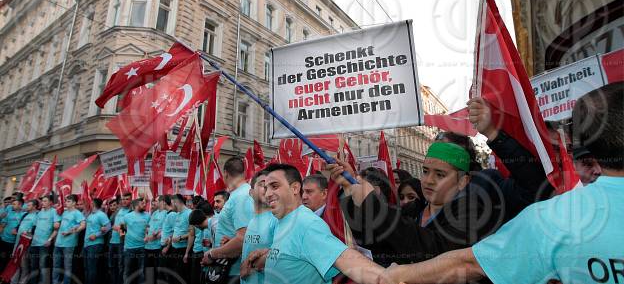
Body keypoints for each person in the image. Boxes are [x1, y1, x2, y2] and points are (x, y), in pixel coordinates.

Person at [379, 81, 624, 284]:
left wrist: (494, 133)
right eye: (425, 171)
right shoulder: (412, 209)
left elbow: (533, 183)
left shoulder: (494, 200)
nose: (429, 180)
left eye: (441, 173)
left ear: (464, 179)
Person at [244, 164, 383, 284]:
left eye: (274, 186)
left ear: (295, 188)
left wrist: (391, 278)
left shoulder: (306, 224)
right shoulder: (284, 221)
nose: (267, 194)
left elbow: (350, 262)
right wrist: (266, 254)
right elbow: (295, 252)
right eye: (266, 188)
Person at [203, 157, 254, 283]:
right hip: (227, 268)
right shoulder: (237, 194)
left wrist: (212, 254)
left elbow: (243, 239)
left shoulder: (242, 197)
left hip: (234, 271)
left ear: (225, 173)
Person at [239, 170, 277, 284]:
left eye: (271, 185)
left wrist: (252, 263)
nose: (266, 188)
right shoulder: (252, 221)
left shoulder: (276, 219)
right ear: (251, 192)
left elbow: (284, 253)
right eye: (262, 184)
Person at [53, 194, 86, 284]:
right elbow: (58, 224)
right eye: (66, 201)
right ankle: (55, 282)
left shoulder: (77, 213)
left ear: (74, 203)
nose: (66, 203)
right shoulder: (64, 212)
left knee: (67, 266)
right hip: (58, 243)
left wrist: (73, 231)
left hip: (69, 244)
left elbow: (83, 225)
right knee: (56, 265)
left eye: (68, 201)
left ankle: (66, 282)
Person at [30, 195, 59, 284]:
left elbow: (56, 229)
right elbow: (34, 227)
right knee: (33, 266)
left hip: (44, 244)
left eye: (45, 201)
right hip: (34, 243)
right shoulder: (39, 213)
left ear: (50, 202)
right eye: (42, 201)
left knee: (43, 266)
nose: (43, 203)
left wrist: (49, 239)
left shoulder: (54, 212)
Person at [120, 198, 150, 284]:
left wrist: (147, 236)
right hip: (129, 248)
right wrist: (123, 243)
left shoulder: (147, 215)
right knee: (128, 271)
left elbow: (149, 229)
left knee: (141, 272)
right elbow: (122, 230)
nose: (144, 205)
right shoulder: (127, 216)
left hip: (142, 248)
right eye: (142, 203)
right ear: (136, 205)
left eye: (145, 203)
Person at [83, 198, 110, 284]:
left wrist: (96, 235)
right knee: (87, 267)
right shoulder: (90, 215)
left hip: (95, 244)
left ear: (93, 204)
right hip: (87, 244)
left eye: (90, 203)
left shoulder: (101, 215)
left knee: (92, 268)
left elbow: (108, 227)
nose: (89, 204)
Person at [11, 199, 38, 284]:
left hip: (26, 244)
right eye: (27, 205)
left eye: (29, 205)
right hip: (17, 243)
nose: (27, 206)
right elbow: (19, 225)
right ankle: (13, 281)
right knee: (15, 263)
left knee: (24, 265)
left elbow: (34, 230)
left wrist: (28, 233)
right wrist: (16, 229)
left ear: (34, 207)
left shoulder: (36, 216)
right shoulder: (25, 214)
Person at [145, 195, 167, 284]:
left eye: (157, 201)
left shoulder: (166, 213)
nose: (154, 202)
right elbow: (149, 227)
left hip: (157, 247)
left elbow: (165, 230)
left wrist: (154, 236)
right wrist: (146, 232)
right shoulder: (154, 213)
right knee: (148, 271)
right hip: (148, 247)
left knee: (158, 272)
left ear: (162, 202)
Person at [110, 193, 131, 284]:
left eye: (126, 199)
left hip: (122, 243)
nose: (124, 201)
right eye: (123, 199)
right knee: (112, 266)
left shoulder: (131, 212)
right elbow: (110, 224)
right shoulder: (118, 210)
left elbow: (127, 231)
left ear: (130, 200)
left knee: (121, 266)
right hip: (112, 242)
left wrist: (119, 229)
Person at [171, 194, 191, 284]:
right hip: (174, 248)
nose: (171, 207)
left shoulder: (189, 213)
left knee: (182, 275)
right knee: (175, 274)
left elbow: (192, 233)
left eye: (172, 204)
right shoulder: (177, 214)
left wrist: (180, 238)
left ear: (176, 203)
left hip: (183, 249)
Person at [0, 197, 25, 271]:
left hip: (14, 243)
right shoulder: (10, 213)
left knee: (8, 260)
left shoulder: (24, 215)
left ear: (20, 205)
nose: (12, 205)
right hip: (3, 239)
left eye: (14, 204)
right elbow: (3, 225)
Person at [159, 195, 178, 279]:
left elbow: (174, 231)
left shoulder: (172, 214)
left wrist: (167, 247)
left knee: (168, 273)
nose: (158, 204)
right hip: (164, 246)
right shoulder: (167, 214)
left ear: (163, 202)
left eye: (159, 202)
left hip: (168, 248)